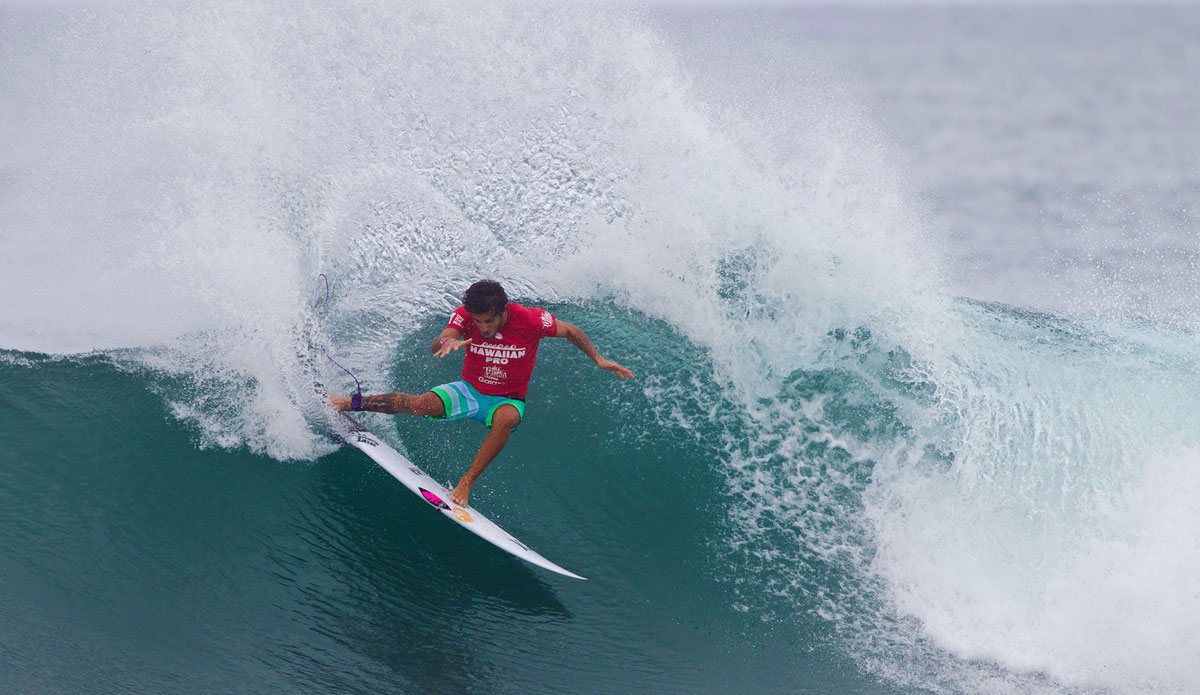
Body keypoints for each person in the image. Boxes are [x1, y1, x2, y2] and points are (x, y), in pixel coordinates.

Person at [330, 279, 633, 506]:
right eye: (478, 322)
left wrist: (598, 359)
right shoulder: (465, 316)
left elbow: (570, 330)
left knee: (506, 419)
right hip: (469, 390)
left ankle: (466, 482)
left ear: (503, 311)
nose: (483, 328)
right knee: (418, 403)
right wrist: (446, 342)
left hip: (507, 400)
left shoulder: (529, 320)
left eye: (489, 321)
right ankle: (346, 403)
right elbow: (440, 341)